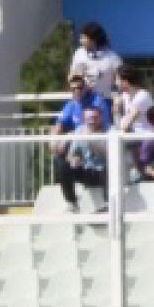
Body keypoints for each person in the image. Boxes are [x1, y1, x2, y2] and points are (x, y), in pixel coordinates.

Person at [51, 75, 111, 211]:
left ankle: (109, 205)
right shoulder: (79, 127)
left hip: (102, 170)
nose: (91, 120)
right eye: (73, 89)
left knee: (110, 168)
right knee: (64, 164)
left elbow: (110, 154)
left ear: (100, 116)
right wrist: (73, 158)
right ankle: (72, 202)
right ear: (84, 119)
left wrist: (91, 139)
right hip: (86, 169)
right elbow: (71, 152)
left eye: (94, 117)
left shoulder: (109, 131)